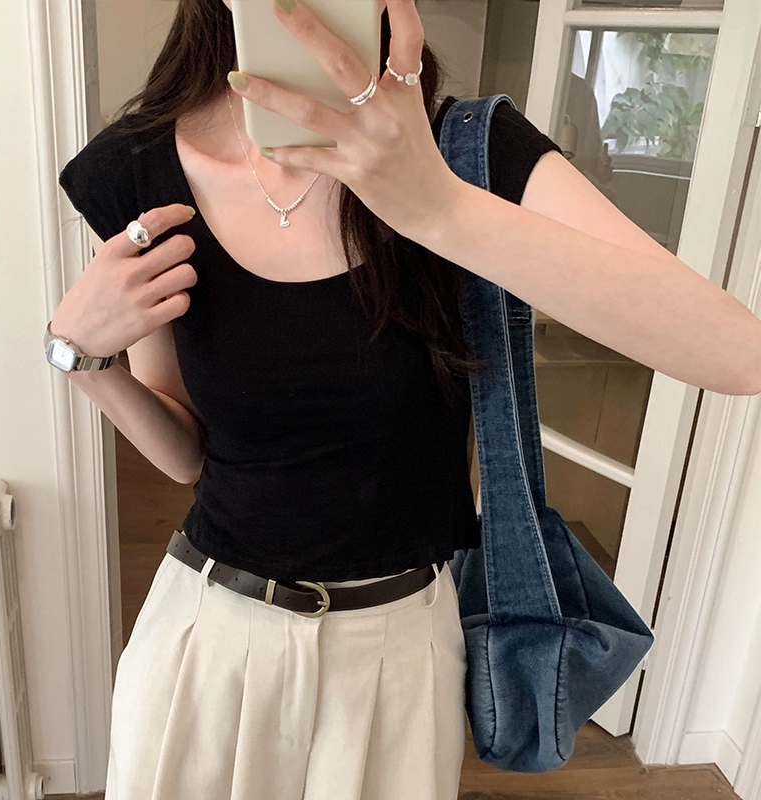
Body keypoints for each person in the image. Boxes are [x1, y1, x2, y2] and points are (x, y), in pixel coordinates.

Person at [50, 0, 761, 798]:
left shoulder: (469, 151)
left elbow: (738, 354)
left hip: (397, 662)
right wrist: (83, 359)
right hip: (205, 650)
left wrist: (440, 207)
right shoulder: (136, 168)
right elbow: (187, 456)